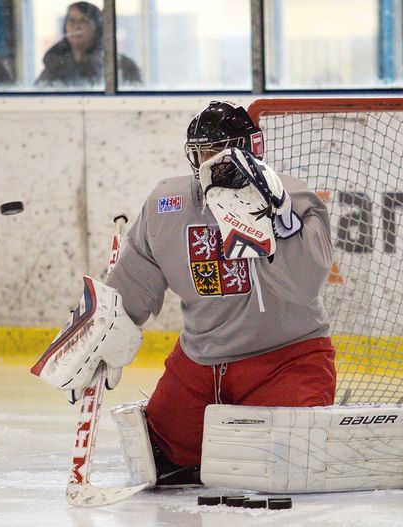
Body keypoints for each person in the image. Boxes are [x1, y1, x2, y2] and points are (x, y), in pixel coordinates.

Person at [101, 100, 337, 484]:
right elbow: (136, 276)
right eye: (200, 152)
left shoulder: (294, 198)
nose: (209, 160)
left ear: (249, 148)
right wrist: (103, 330)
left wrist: (277, 225)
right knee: (158, 457)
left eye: (219, 150)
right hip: (199, 365)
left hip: (285, 362)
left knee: (290, 462)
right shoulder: (167, 204)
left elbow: (303, 285)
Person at [36, 2, 141, 88]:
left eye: (84, 21)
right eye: (72, 21)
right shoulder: (54, 64)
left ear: (97, 28)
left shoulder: (120, 66)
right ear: (65, 27)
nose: (77, 27)